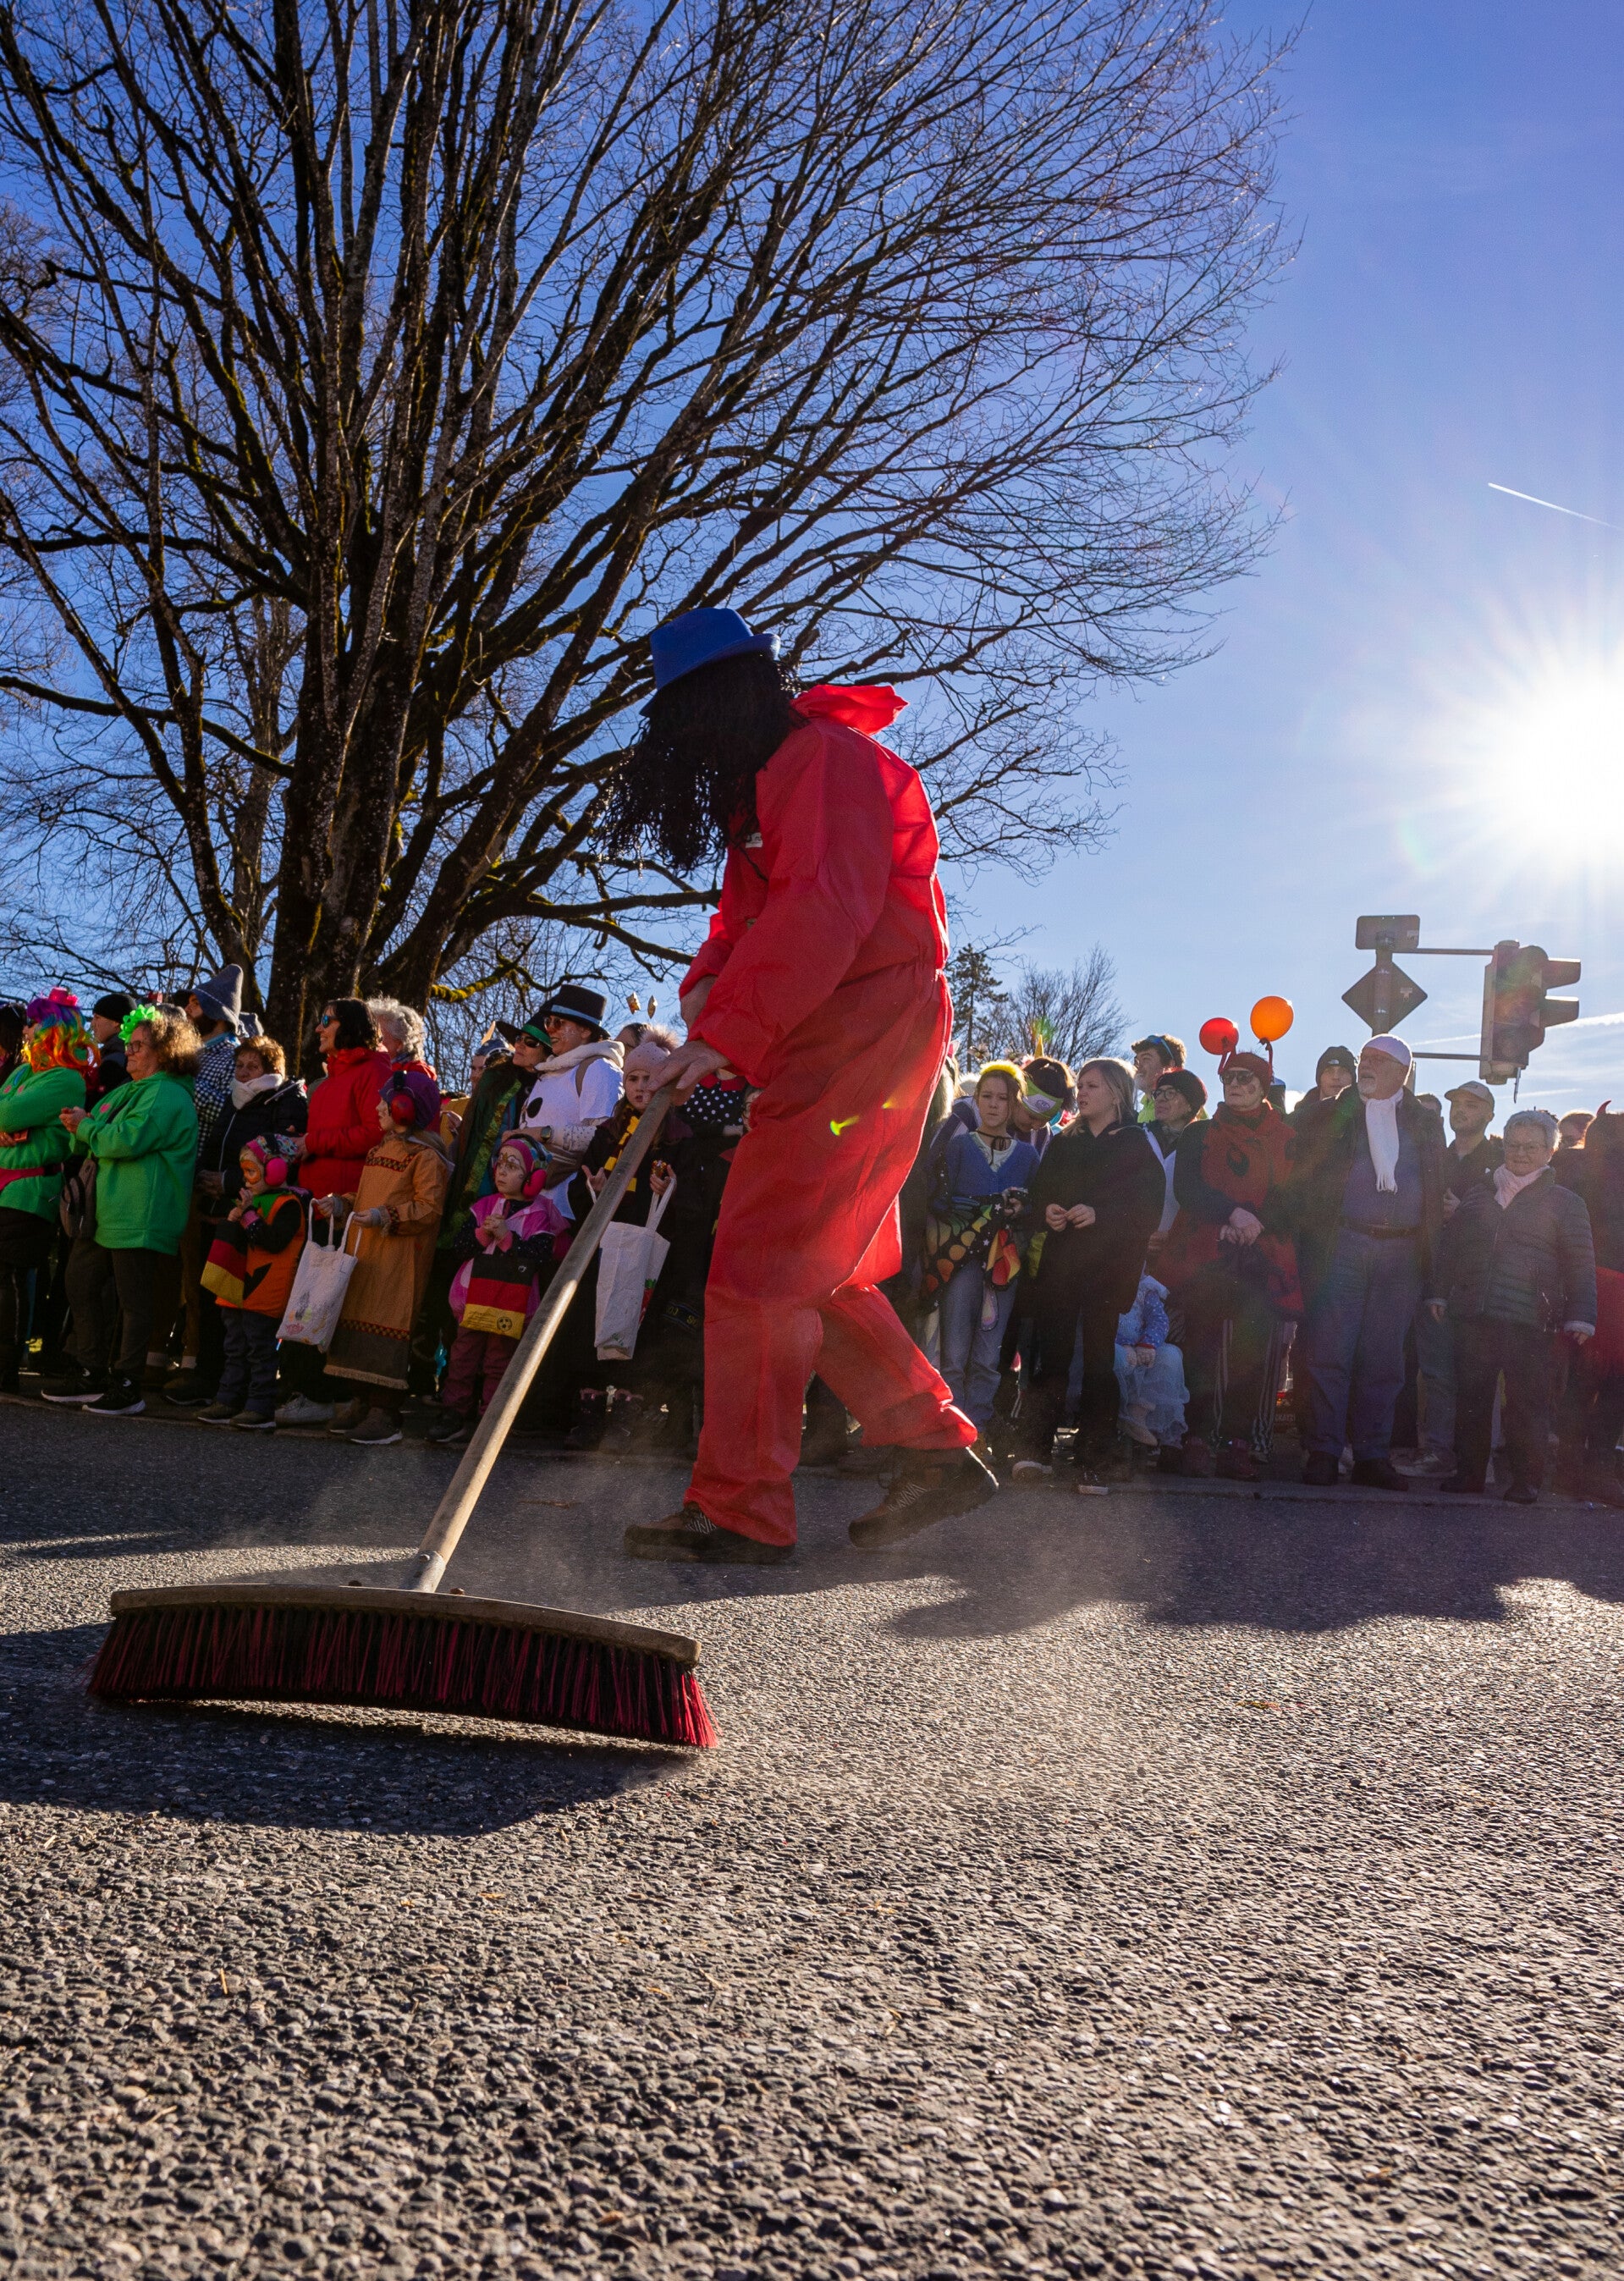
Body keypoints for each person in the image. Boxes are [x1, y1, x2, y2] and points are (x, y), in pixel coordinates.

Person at [611, 607, 990, 1561]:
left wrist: (727, 1035)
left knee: (759, 1261)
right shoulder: (763, 788)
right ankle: (931, 1447)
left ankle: (740, 1508)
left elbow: (825, 906)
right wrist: (704, 1005)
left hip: (867, 1019)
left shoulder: (826, 761)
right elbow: (746, 924)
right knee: (810, 1264)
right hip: (829, 1025)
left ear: (729, 697)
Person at [1284, 1035, 1445, 1490]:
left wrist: (1433, 1273)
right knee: (1330, 1352)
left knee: (1385, 1360)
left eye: (1378, 1060)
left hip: (1403, 1254)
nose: (1366, 1066)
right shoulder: (1329, 1113)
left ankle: (1373, 1455)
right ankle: (1324, 1451)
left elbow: (1434, 1194)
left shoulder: (1425, 1122)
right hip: (1343, 1245)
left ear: (1402, 1072)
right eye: (1364, 1058)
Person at [1010, 1057, 1164, 1490]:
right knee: (1052, 1357)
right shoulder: (1066, 1142)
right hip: (1062, 1265)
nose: (1081, 1092)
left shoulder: (1136, 1143)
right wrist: (1047, 1212)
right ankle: (1034, 1451)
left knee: (1098, 1361)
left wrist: (1101, 1213)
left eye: (1092, 1086)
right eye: (1081, 1085)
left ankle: (1095, 1457)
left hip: (1108, 1270)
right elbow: (1040, 1194)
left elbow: (1147, 1210)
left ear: (1116, 1093)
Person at [1430, 1108, 1595, 1503]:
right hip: (1475, 1312)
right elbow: (1451, 1248)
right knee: (1471, 1399)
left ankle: (1526, 1481)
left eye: (1531, 1147)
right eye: (1513, 1145)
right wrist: (1438, 1292)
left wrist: (1582, 1316)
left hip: (1531, 1320)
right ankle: (1470, 1474)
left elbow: (1580, 1262)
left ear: (1550, 1152)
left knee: (1527, 1404)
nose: (1520, 1153)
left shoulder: (1566, 1203)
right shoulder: (1479, 1193)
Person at [44, 1005, 200, 1415]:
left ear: (165, 1052)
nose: (128, 1052)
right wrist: (77, 1125)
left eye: (138, 1046)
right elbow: (94, 1133)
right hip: (108, 1212)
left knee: (134, 1301)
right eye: (129, 1044)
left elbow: (126, 1140)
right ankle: (92, 1372)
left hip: (140, 1212)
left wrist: (85, 1127)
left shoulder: (167, 1093)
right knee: (80, 1282)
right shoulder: (130, 1089)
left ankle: (128, 1384)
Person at [1159, 1051, 1301, 1480]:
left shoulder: (1287, 1137)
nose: (1235, 1085)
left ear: (1263, 1085)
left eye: (1245, 1078)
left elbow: (1297, 1196)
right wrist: (1230, 1215)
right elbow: (1188, 1187)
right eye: (1229, 1078)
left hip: (1261, 1256)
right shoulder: (1199, 1133)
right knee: (1201, 1349)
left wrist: (1255, 1223)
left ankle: (1239, 1444)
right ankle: (1197, 1439)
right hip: (1209, 1252)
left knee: (1250, 1355)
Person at [168, 1033, 307, 1409]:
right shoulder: (235, 1099)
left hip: (253, 1209)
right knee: (212, 1293)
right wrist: (202, 1176)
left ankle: (244, 1386)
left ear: (272, 1069)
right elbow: (215, 1143)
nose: (244, 1073)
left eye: (253, 1066)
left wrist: (229, 1181)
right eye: (240, 1065)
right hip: (216, 1208)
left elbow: (279, 1159)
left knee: (244, 1304)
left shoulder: (286, 1100)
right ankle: (209, 1377)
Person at [274, 999, 390, 1425]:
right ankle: (302, 1388)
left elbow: (376, 1133)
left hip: (346, 1208)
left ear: (352, 1027)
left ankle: (322, 1394)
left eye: (327, 1020)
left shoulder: (375, 1071)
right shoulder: (325, 1082)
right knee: (305, 1298)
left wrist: (315, 1142)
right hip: (314, 1207)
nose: (319, 1028)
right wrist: (299, 1141)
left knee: (327, 1299)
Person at [321, 1070, 451, 1446]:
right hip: (366, 1254)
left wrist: (385, 1217)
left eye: (385, 1102)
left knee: (387, 1322)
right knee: (358, 1318)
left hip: (398, 1261)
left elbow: (429, 1209)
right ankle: (362, 1400)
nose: (378, 1108)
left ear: (405, 1107)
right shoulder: (380, 1149)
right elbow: (366, 1198)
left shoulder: (426, 1157)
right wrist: (341, 1204)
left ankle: (386, 1411)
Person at [921, 1060, 1039, 1438]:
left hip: (1005, 1264)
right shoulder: (958, 1147)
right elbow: (940, 1203)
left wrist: (1021, 1208)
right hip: (960, 1261)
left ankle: (979, 1428)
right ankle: (951, 1428)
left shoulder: (1028, 1156)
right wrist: (981, 1208)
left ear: (1015, 1103)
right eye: (986, 1096)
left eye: (1002, 1098)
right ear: (975, 1100)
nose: (993, 1104)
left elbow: (1035, 1210)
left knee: (989, 1354)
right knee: (953, 1351)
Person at [429, 1132, 568, 1448]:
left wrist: (507, 1237)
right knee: (462, 1355)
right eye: (500, 1162)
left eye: (513, 1165)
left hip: (510, 1302)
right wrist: (482, 1234)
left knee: (499, 1360)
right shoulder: (484, 1206)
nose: (502, 1170)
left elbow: (541, 1255)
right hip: (474, 1296)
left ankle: (489, 1420)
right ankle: (453, 1412)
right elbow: (460, 1247)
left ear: (533, 1177)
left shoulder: (540, 1214)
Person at [1403, 1079, 1504, 1477]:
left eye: (1472, 1104)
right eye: (1456, 1103)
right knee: (1437, 1373)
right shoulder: (1435, 1158)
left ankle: (1481, 1460)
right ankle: (1439, 1452)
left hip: (1482, 1286)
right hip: (1434, 1280)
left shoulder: (1501, 1161)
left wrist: (1465, 1211)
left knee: (1481, 1377)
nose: (1461, 1110)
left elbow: (1515, 1219)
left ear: (1490, 1115)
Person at [0, 994, 92, 1393]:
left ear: (54, 1029)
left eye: (34, 1023)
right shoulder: (23, 1072)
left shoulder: (67, 1079)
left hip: (31, 1189)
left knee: (10, 1276)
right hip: (5, 1184)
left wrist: (12, 1120)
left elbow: (5, 1113)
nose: (26, 1030)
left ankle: (5, 1367)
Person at [165, 965, 245, 1399]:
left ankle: (196, 1366)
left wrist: (181, 1086)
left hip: (201, 1178)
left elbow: (226, 1110)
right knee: (172, 1275)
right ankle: (164, 1359)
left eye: (197, 1003)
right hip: (175, 1172)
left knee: (197, 1279)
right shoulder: (193, 1053)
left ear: (216, 1012)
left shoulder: (231, 1055)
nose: (189, 1008)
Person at [195, 1138, 309, 1430]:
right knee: (234, 1346)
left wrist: (247, 1216)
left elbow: (273, 1241)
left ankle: (260, 1406)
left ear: (275, 1171)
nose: (246, 1179)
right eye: (244, 1171)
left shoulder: (289, 1204)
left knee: (260, 1350)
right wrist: (233, 1219)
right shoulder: (249, 1202)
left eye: (252, 1171)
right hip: (237, 1288)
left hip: (265, 1290)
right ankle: (229, 1399)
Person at [514, 986, 624, 1182]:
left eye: (559, 1022)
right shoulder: (549, 1071)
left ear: (585, 1030)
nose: (549, 1029)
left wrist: (544, 1134)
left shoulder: (599, 1069)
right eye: (548, 1022)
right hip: (527, 1192)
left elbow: (605, 1138)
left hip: (565, 1195)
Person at [1114, 1272, 1188, 1457]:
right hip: (1113, 1343)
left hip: (1141, 1346)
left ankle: (1137, 1415)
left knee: (1170, 1357)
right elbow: (1099, 1318)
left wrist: (1147, 1345)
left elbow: (1159, 1321)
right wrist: (1123, 1343)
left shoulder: (1146, 1288)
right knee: (1118, 1358)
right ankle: (1112, 1420)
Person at [1144, 1067, 1207, 1251]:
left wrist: (1176, 1234)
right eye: (1158, 1093)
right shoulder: (1138, 1136)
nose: (1161, 1099)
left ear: (1190, 1105)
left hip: (1177, 1251)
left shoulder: (1203, 1147)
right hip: (1131, 1247)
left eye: (1170, 1093)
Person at [1291, 1046, 1357, 1132]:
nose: (1336, 1077)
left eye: (1343, 1071)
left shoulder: (1366, 1116)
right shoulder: (1296, 1122)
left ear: (1353, 1078)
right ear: (1319, 1078)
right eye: (1329, 1071)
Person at [1131, 1033, 1186, 1123]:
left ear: (1170, 1066)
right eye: (1136, 1061)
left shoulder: (1184, 1104)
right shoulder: (1141, 1113)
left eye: (1146, 1059)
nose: (1137, 1066)